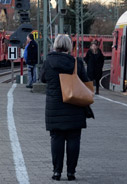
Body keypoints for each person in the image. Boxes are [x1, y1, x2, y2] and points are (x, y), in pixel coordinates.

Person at [42, 34, 90, 181]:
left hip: (54, 107)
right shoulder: (77, 63)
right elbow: (86, 82)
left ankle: (57, 172)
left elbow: (43, 79)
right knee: (74, 139)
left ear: (55, 45)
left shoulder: (48, 62)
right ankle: (71, 173)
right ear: (69, 46)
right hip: (74, 106)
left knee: (56, 138)